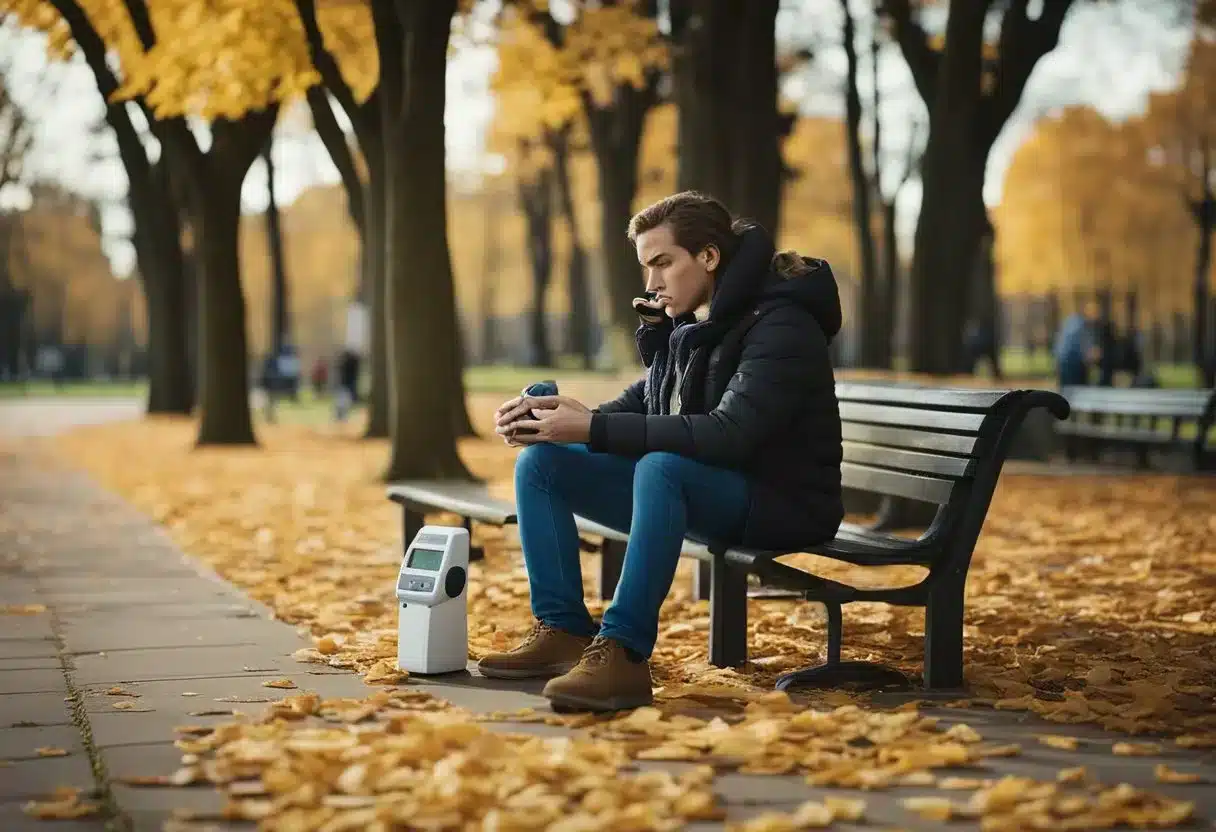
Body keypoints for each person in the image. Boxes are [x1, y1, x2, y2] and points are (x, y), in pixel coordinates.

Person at [478, 191, 845, 712]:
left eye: (662, 263)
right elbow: (644, 405)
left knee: (662, 468)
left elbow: (729, 432)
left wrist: (595, 428)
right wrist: (559, 422)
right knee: (543, 465)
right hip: (707, 489)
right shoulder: (693, 322)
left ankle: (625, 654)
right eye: (646, 267)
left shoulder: (781, 324)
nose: (650, 283)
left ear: (709, 257)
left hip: (782, 504)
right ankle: (563, 631)